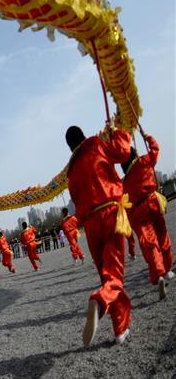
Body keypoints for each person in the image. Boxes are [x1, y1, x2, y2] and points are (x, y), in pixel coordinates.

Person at [65, 125, 132, 347]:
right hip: (110, 212)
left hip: (90, 224)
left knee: (107, 276)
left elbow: (75, 199)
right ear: (83, 136)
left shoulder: (72, 171)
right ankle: (99, 300)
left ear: (70, 147)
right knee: (114, 274)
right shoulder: (97, 147)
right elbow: (123, 152)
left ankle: (120, 329)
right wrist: (119, 133)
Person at [121, 134, 174, 299]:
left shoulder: (124, 182)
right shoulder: (144, 161)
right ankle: (168, 270)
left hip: (137, 212)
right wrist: (148, 138)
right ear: (135, 155)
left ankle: (158, 273)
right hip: (153, 203)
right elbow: (155, 150)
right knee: (163, 237)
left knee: (149, 244)